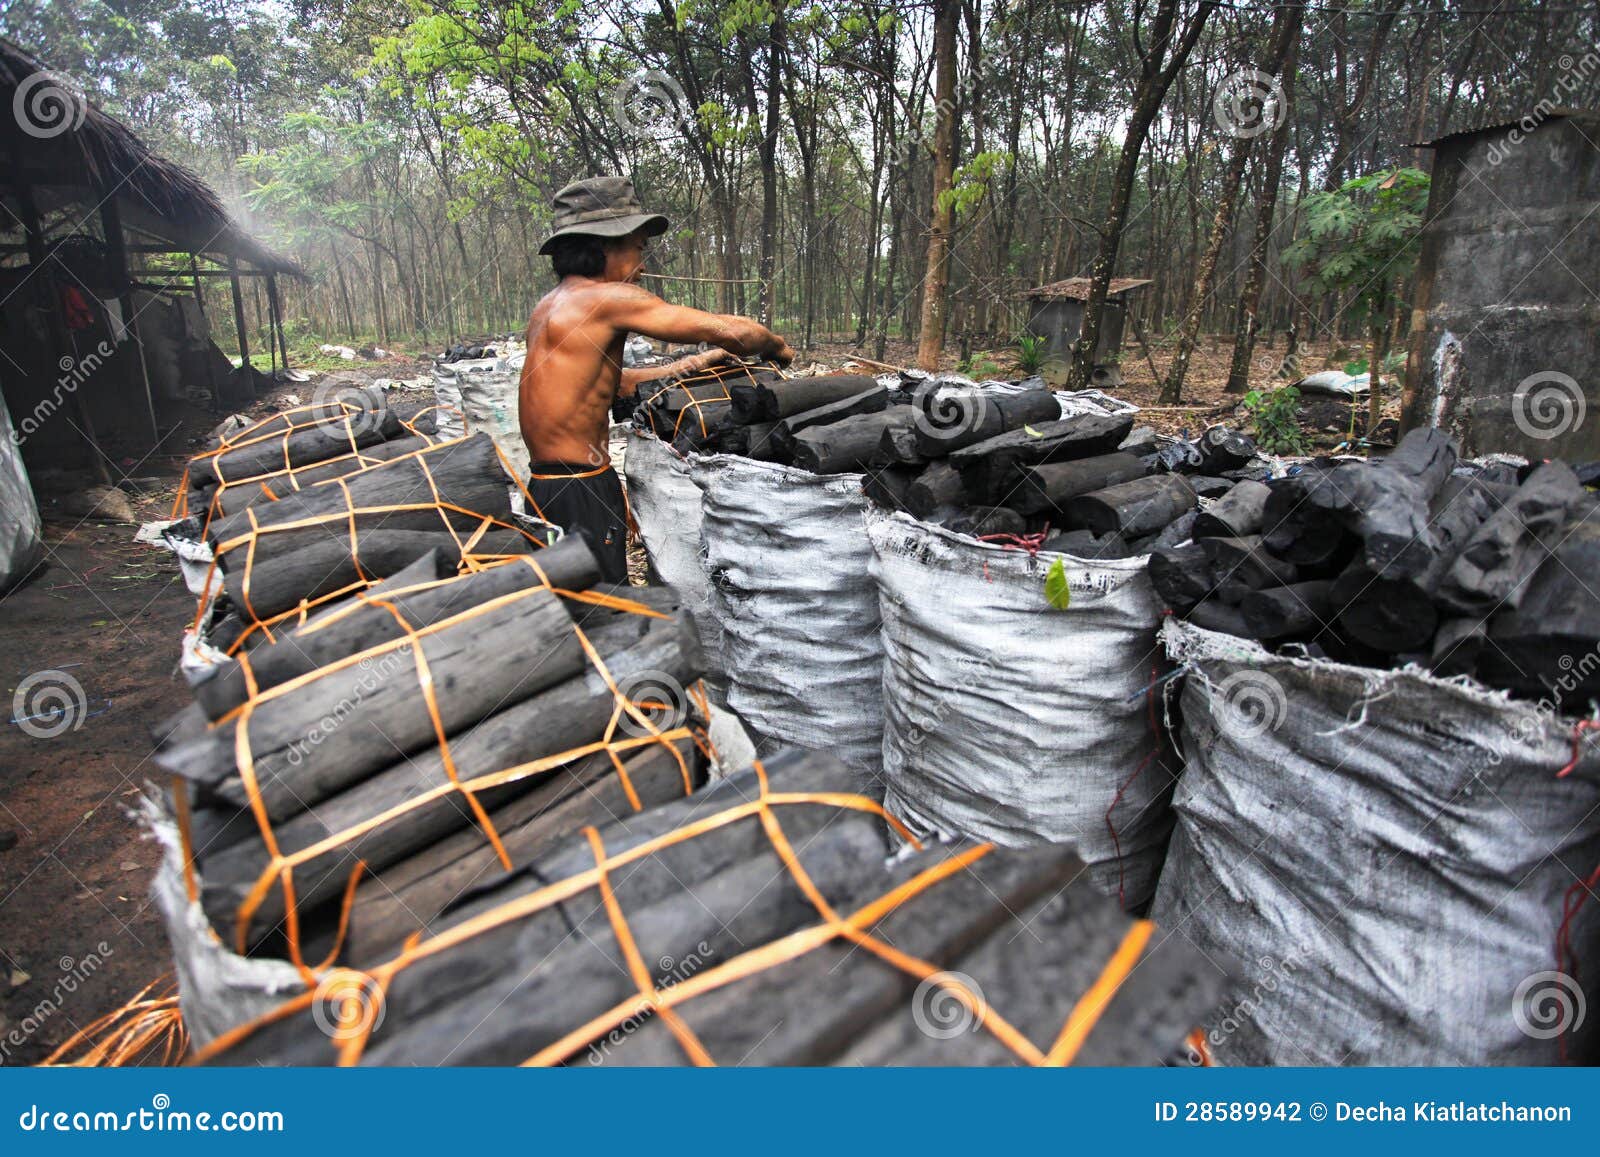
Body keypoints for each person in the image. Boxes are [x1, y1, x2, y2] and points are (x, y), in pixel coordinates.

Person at [519, 176, 793, 583]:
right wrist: (777, 347)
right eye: (639, 248)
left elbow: (613, 384)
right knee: (605, 606)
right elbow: (732, 331)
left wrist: (700, 362)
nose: (643, 265)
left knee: (568, 601)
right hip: (581, 490)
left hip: (544, 488)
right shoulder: (606, 298)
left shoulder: (549, 306)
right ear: (605, 246)